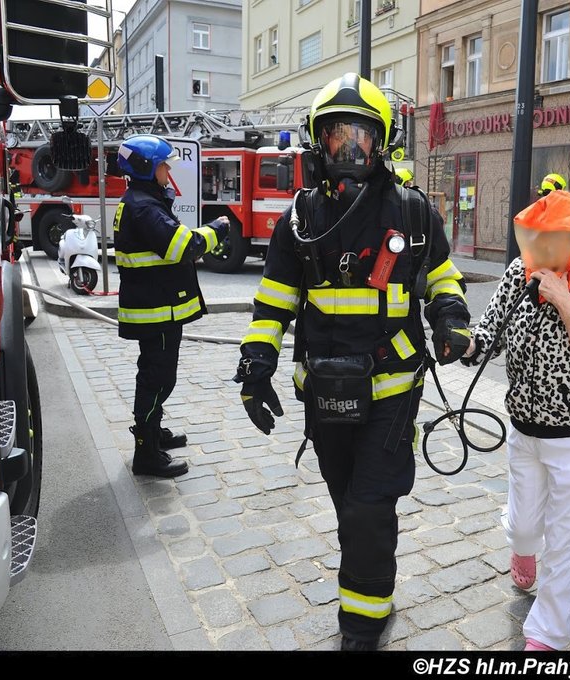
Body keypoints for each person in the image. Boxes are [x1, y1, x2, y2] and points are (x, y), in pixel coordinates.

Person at [233, 73, 470, 651]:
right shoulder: (299, 219)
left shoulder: (412, 212)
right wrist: (257, 362)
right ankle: (372, 585)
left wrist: (451, 319)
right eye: (337, 137)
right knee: (347, 502)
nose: (349, 150)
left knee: (368, 505)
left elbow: (441, 276)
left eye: (360, 137)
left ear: (381, 141)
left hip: (392, 390)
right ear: (319, 143)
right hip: (325, 390)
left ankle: (362, 624)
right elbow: (276, 298)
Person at [462, 190, 570, 651]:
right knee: (523, 524)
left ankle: (548, 631)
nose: (534, 253)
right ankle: (520, 545)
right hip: (524, 425)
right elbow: (490, 328)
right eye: (529, 242)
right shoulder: (520, 271)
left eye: (546, 243)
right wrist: (465, 344)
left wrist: (562, 299)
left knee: (566, 540)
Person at [113, 134, 229, 478]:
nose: (168, 172)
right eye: (164, 165)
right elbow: (185, 247)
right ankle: (146, 453)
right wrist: (217, 230)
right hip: (156, 311)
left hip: (155, 308)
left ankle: (152, 432)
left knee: (157, 375)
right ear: (148, 168)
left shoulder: (142, 201)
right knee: (157, 378)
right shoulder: (144, 207)